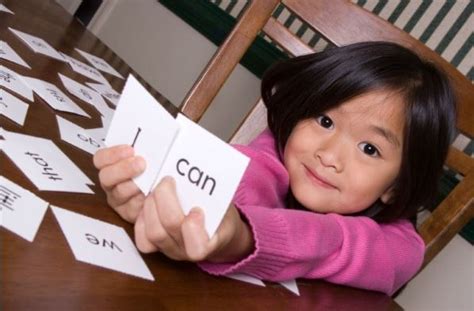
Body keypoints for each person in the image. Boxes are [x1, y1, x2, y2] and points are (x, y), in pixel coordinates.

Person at [93, 42, 456, 295]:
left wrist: (242, 238)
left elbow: (331, 243)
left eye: (369, 148)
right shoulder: (281, 148)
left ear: (395, 185)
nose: (329, 155)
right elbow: (251, 173)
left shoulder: (400, 247)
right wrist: (178, 193)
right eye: (325, 121)